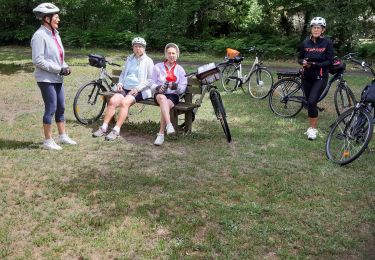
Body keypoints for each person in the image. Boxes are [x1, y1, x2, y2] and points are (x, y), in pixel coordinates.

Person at [31, 3, 77, 150]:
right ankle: (48, 141)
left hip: (57, 77)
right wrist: (59, 69)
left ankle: (62, 136)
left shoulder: (55, 34)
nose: (58, 20)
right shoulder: (39, 36)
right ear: (46, 18)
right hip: (45, 78)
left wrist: (65, 66)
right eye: (56, 17)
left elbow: (59, 56)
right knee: (51, 107)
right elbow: (38, 60)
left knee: (61, 106)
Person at [92, 37, 154, 140]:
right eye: (135, 46)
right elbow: (123, 74)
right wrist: (120, 83)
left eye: (140, 47)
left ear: (144, 48)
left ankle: (116, 130)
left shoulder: (148, 61)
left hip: (140, 90)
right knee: (112, 101)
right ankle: (104, 128)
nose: (138, 48)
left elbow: (151, 80)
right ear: (132, 47)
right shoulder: (130, 58)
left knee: (125, 103)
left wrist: (138, 88)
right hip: (125, 88)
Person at [298, 17, 334, 140]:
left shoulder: (327, 43)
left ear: (323, 30)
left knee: (312, 101)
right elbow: (299, 58)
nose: (316, 29)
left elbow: (329, 61)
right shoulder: (305, 43)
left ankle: (313, 129)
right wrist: (302, 62)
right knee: (309, 102)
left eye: (319, 27)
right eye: (314, 27)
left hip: (320, 76)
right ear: (311, 29)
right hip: (306, 77)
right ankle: (311, 125)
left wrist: (314, 64)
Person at [151, 43, 187, 146]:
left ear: (177, 55)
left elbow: (182, 88)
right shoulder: (158, 67)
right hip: (160, 94)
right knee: (162, 98)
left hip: (173, 96)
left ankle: (161, 133)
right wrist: (158, 87)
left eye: (173, 53)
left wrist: (175, 86)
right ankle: (168, 125)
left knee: (165, 104)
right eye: (169, 53)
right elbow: (151, 83)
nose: (171, 55)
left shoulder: (180, 69)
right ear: (166, 54)